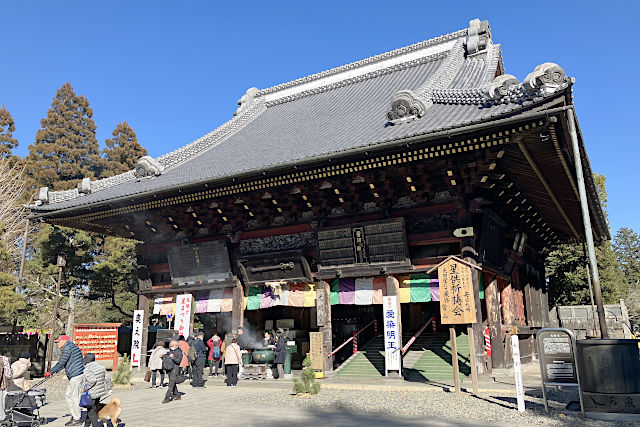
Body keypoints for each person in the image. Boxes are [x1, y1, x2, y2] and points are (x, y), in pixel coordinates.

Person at [46, 335, 85, 426]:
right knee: (68, 395)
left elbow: (61, 362)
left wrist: (50, 371)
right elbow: (65, 363)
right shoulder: (71, 347)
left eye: (59, 342)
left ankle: (77, 418)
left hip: (76, 375)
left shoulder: (67, 348)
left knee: (73, 397)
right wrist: (54, 372)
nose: (57, 344)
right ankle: (75, 414)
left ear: (64, 341)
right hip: (76, 375)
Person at [82, 353, 113, 427]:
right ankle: (86, 425)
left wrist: (85, 388)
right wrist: (109, 389)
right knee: (91, 409)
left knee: (91, 412)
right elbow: (108, 379)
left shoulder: (87, 369)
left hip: (92, 394)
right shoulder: (101, 367)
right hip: (100, 393)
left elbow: (92, 380)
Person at [162, 339, 183, 404]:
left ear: (176, 345)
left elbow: (178, 361)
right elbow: (167, 358)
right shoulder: (170, 351)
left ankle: (167, 397)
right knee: (172, 382)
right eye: (170, 346)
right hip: (169, 368)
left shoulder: (179, 352)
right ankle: (177, 395)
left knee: (171, 384)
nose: (171, 347)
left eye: (172, 346)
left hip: (175, 369)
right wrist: (162, 357)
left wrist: (173, 357)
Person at [0, 352, 13, 424]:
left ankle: (1, 417)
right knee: (1, 401)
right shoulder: (3, 359)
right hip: (3, 384)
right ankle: (2, 416)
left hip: (1, 384)